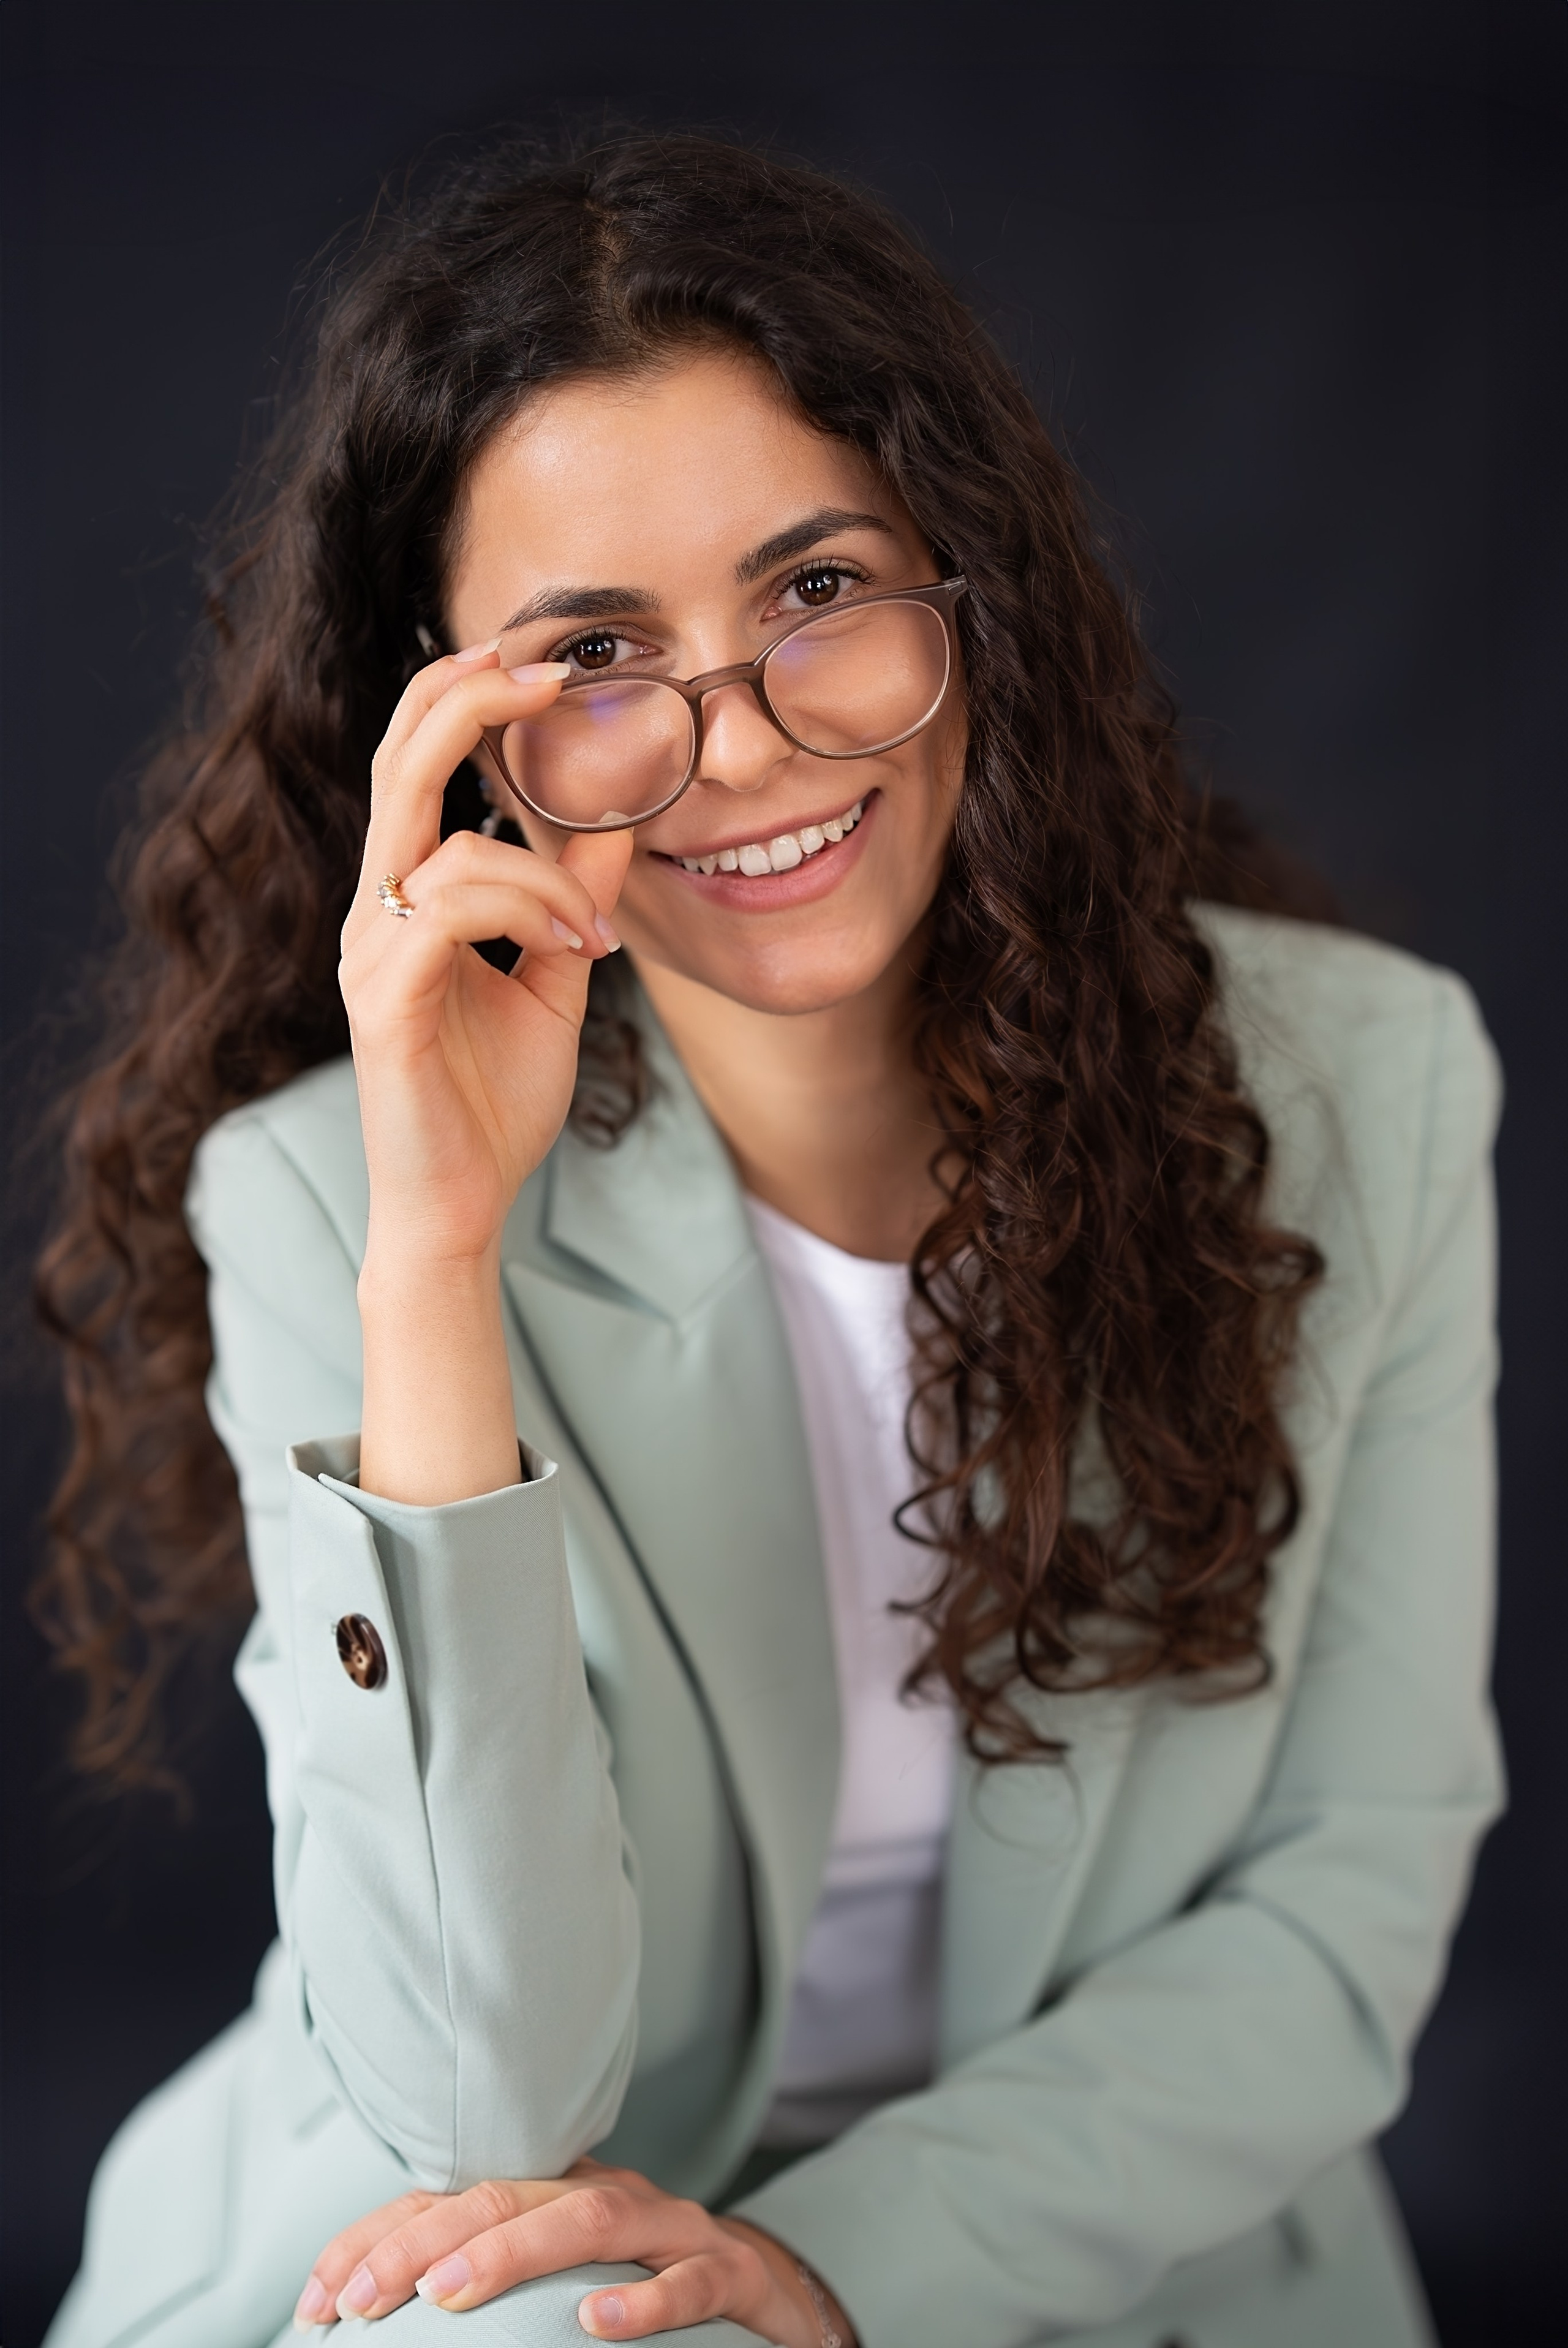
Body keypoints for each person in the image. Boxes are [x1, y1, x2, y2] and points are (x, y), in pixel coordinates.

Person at [36, 132, 1501, 2348]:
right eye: (599, 654)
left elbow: (1344, 1904)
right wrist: (438, 1257)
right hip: (499, 2254)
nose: (742, 743)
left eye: (816, 589)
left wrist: (845, 2265)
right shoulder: (329, 1194)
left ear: (965, 577)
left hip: (1111, 2232)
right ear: (471, 736)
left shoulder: (1368, 1094)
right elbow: (479, 2099)